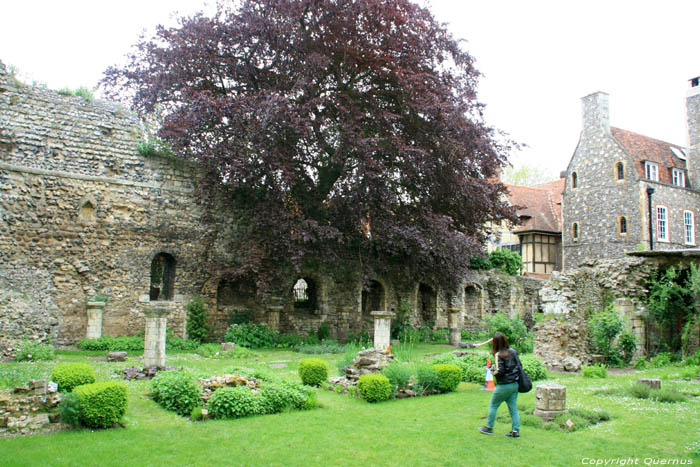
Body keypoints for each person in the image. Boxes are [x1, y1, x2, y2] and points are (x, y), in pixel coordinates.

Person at [475, 332, 521, 438]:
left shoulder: (498, 354)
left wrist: (491, 370)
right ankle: (515, 431)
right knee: (513, 408)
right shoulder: (513, 351)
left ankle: (489, 427)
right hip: (514, 384)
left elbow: (500, 371)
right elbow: (518, 366)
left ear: (495, 343)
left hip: (504, 385)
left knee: (493, 405)